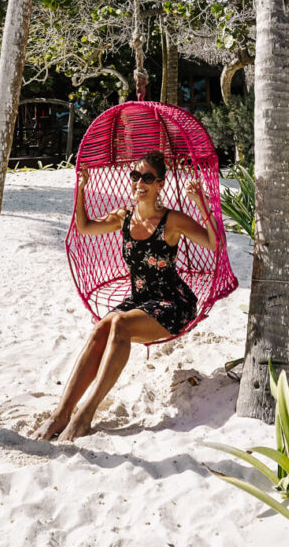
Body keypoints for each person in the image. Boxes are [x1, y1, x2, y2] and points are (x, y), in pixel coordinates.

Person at [34, 149, 218, 442]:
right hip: (140, 301)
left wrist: (202, 205)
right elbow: (84, 227)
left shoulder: (172, 221)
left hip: (173, 302)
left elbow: (213, 244)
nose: (139, 182)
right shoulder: (123, 217)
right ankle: (62, 412)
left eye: (148, 177)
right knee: (101, 328)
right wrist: (80, 189)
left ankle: (85, 415)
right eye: (135, 175)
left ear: (160, 184)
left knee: (118, 324)